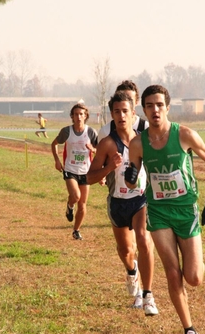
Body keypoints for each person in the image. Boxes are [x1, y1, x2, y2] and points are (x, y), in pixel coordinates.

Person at [125, 84, 205, 334]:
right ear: (143, 110)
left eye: (159, 105)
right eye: (149, 105)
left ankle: (198, 261)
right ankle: (189, 330)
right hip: (158, 212)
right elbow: (133, 182)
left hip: (185, 210)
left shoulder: (185, 135)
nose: (155, 110)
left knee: (193, 277)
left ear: (167, 107)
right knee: (171, 272)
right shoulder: (138, 144)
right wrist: (130, 177)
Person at [87, 91, 158, 315]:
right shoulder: (108, 144)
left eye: (125, 111)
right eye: (116, 111)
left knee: (144, 240)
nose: (121, 116)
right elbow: (89, 177)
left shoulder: (143, 140)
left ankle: (147, 296)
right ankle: (131, 270)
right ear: (112, 114)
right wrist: (110, 167)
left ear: (133, 112)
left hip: (140, 199)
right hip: (118, 202)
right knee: (126, 250)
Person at [51, 103, 98, 240]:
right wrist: (57, 160)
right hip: (70, 169)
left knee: (83, 205)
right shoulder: (66, 131)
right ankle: (70, 205)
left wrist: (93, 149)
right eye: (76, 114)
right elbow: (54, 144)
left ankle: (76, 230)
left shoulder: (91, 132)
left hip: (85, 171)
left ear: (85, 116)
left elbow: (100, 151)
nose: (79, 117)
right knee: (76, 196)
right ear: (72, 116)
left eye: (81, 114)